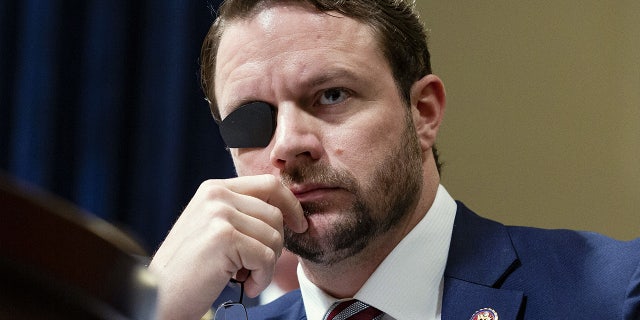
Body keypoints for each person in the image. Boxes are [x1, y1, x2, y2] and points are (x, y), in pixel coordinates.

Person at [148, 1, 640, 319]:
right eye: (251, 122)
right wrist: (149, 308)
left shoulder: (614, 294)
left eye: (331, 95)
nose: (287, 144)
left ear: (423, 112)